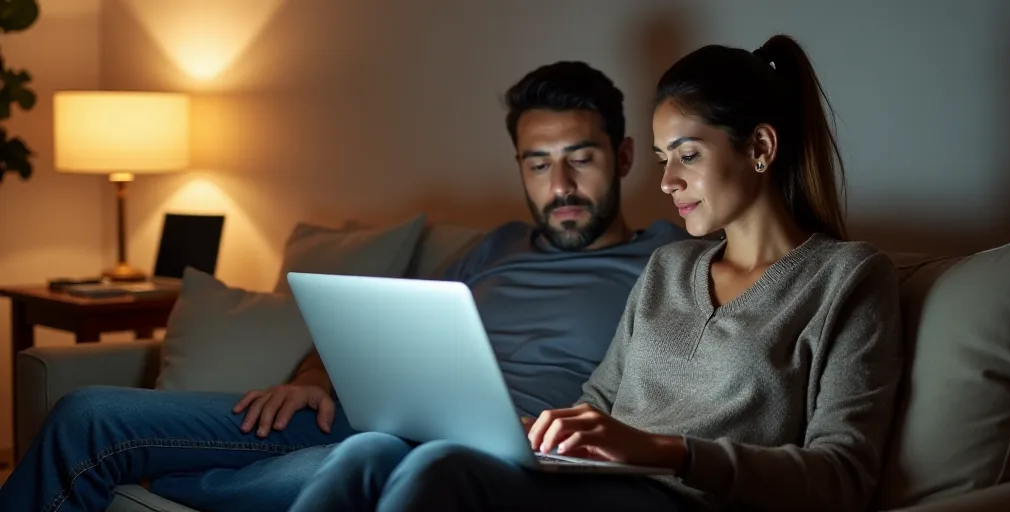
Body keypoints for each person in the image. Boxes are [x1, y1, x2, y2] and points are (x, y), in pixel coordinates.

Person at [0, 61, 692, 512]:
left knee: (372, 465)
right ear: (519, 166)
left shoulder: (672, 263)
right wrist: (312, 377)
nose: (561, 186)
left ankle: (194, 483)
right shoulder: (494, 247)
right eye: (538, 164)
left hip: (480, 456)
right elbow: (380, 331)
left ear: (626, 156)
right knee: (87, 413)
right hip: (366, 417)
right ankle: (202, 480)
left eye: (582, 159)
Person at [286, 35, 905, 512]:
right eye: (664, 160)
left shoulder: (847, 279)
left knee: (438, 471)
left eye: (687, 156)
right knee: (369, 451)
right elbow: (598, 402)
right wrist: (537, 430)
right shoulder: (669, 268)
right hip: (599, 484)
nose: (666, 182)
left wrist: (665, 451)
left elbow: (843, 476)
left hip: (685, 500)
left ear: (760, 148)